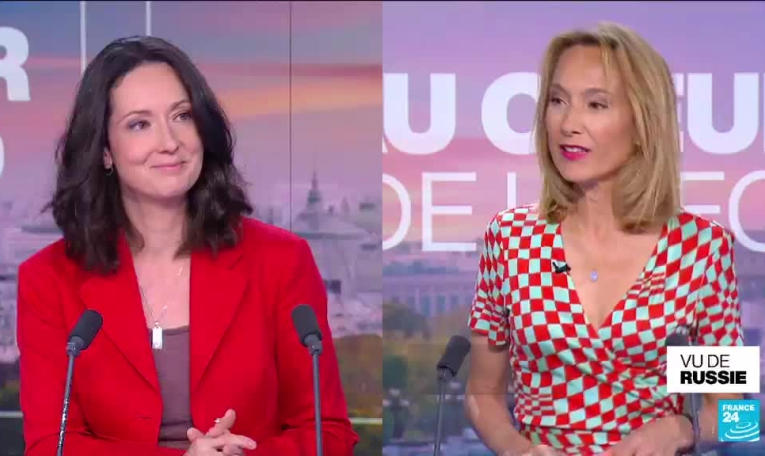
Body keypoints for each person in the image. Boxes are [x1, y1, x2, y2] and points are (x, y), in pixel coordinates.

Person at [16, 35, 358, 456]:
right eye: (140, 124)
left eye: (182, 116)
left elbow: (328, 434)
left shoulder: (281, 261)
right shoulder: (48, 280)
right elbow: (50, 445)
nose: (169, 141)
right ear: (104, 151)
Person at [464, 22, 743, 456]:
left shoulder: (699, 249)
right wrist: (519, 450)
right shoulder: (511, 240)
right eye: (557, 100)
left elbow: (735, 415)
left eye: (596, 104)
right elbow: (483, 394)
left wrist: (681, 429)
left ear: (643, 122)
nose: (568, 123)